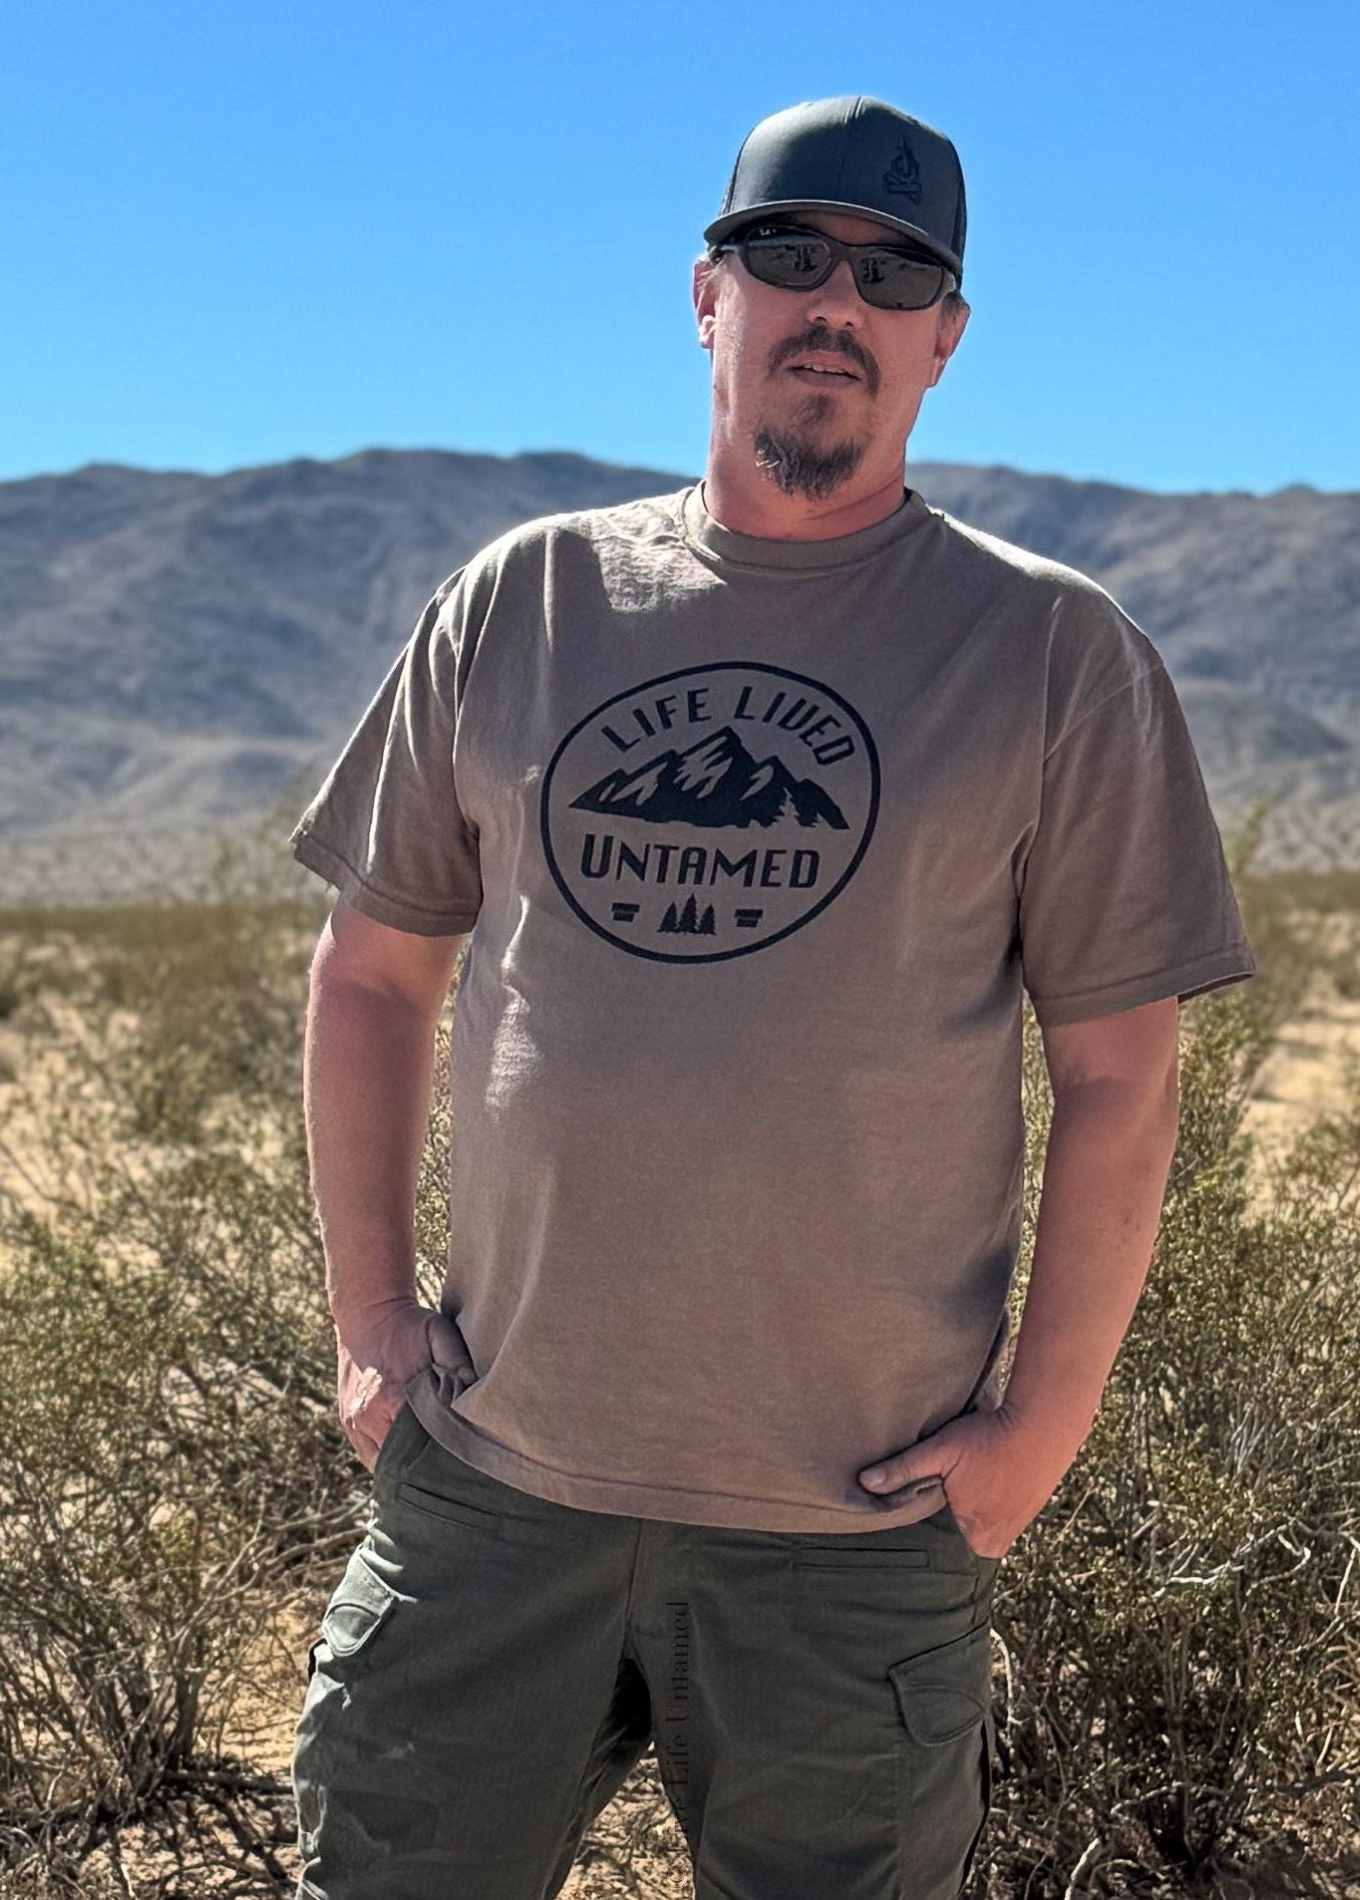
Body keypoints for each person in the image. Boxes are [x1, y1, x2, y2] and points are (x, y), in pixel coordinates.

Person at [286, 95, 1255, 1900]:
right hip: (496, 1485)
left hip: (855, 1528)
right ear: (707, 297)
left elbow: (1124, 1078)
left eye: (895, 274)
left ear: (946, 337)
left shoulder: (1051, 654)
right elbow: (371, 973)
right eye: (789, 254)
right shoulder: (527, 601)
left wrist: (1040, 1431)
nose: (839, 302)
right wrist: (365, 1316)